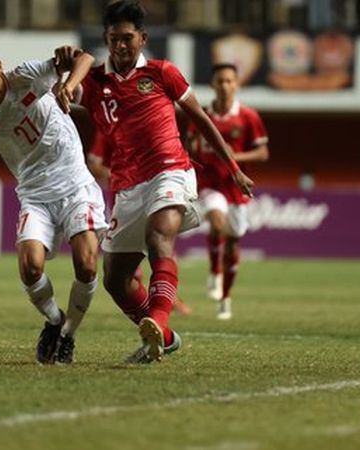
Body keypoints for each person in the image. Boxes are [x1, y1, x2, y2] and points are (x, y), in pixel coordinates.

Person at [57, 0, 254, 363]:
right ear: (105, 38)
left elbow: (202, 120)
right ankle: (163, 335)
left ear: (143, 38)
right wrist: (65, 67)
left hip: (170, 170)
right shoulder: (95, 81)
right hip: (127, 186)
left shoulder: (164, 73)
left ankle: (158, 319)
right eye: (113, 38)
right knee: (116, 278)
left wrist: (232, 167)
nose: (120, 46)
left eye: (128, 38)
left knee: (158, 236)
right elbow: (64, 93)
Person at [0, 33, 107, 365]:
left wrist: (68, 85)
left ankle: (68, 335)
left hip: (75, 186)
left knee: (86, 263)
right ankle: (54, 321)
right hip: (35, 195)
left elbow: (85, 59)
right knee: (29, 267)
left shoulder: (28, 76)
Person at [187, 63, 270, 320]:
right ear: (212, 84)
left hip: (236, 186)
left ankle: (226, 297)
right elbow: (190, 146)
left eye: (229, 81)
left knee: (233, 240)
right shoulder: (202, 115)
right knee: (216, 221)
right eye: (219, 81)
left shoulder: (248, 117)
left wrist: (237, 155)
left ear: (236, 84)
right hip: (210, 184)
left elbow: (263, 152)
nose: (224, 85)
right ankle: (215, 272)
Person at [86, 132, 193, 316]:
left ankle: (165, 302)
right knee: (126, 262)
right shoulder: (109, 128)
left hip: (154, 189)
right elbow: (94, 165)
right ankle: (152, 308)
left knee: (161, 245)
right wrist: (118, 175)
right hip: (124, 198)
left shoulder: (148, 122)